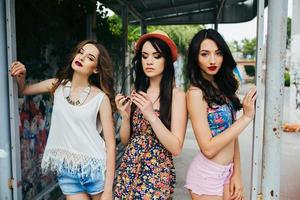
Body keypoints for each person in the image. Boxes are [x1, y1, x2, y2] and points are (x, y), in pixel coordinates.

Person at [10, 40, 116, 200]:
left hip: (94, 169)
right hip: (67, 171)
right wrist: (21, 76)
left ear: (96, 69)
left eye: (90, 57)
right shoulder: (57, 85)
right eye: (81, 52)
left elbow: (110, 144)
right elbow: (23, 90)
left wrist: (108, 190)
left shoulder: (101, 98)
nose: (82, 57)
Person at [114, 30, 187, 199]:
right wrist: (125, 117)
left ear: (166, 60)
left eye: (156, 56)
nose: (149, 61)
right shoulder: (138, 92)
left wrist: (152, 116)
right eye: (145, 56)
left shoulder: (177, 95)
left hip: (156, 172)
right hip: (130, 168)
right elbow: (126, 141)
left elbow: (176, 147)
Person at [184, 29, 257, 200]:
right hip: (207, 176)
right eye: (205, 54)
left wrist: (236, 173)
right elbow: (208, 148)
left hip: (227, 172)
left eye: (218, 53)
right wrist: (246, 118)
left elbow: (232, 135)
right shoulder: (195, 93)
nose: (212, 60)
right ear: (196, 58)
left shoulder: (221, 87)